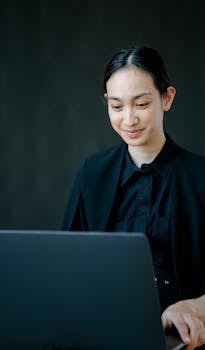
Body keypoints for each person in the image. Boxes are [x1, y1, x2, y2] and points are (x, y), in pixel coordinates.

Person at [63, 46, 205, 349]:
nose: (129, 119)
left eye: (141, 104)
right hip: (101, 331)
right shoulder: (92, 172)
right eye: (116, 106)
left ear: (167, 98)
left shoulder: (200, 177)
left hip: (181, 338)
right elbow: (67, 266)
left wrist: (195, 306)